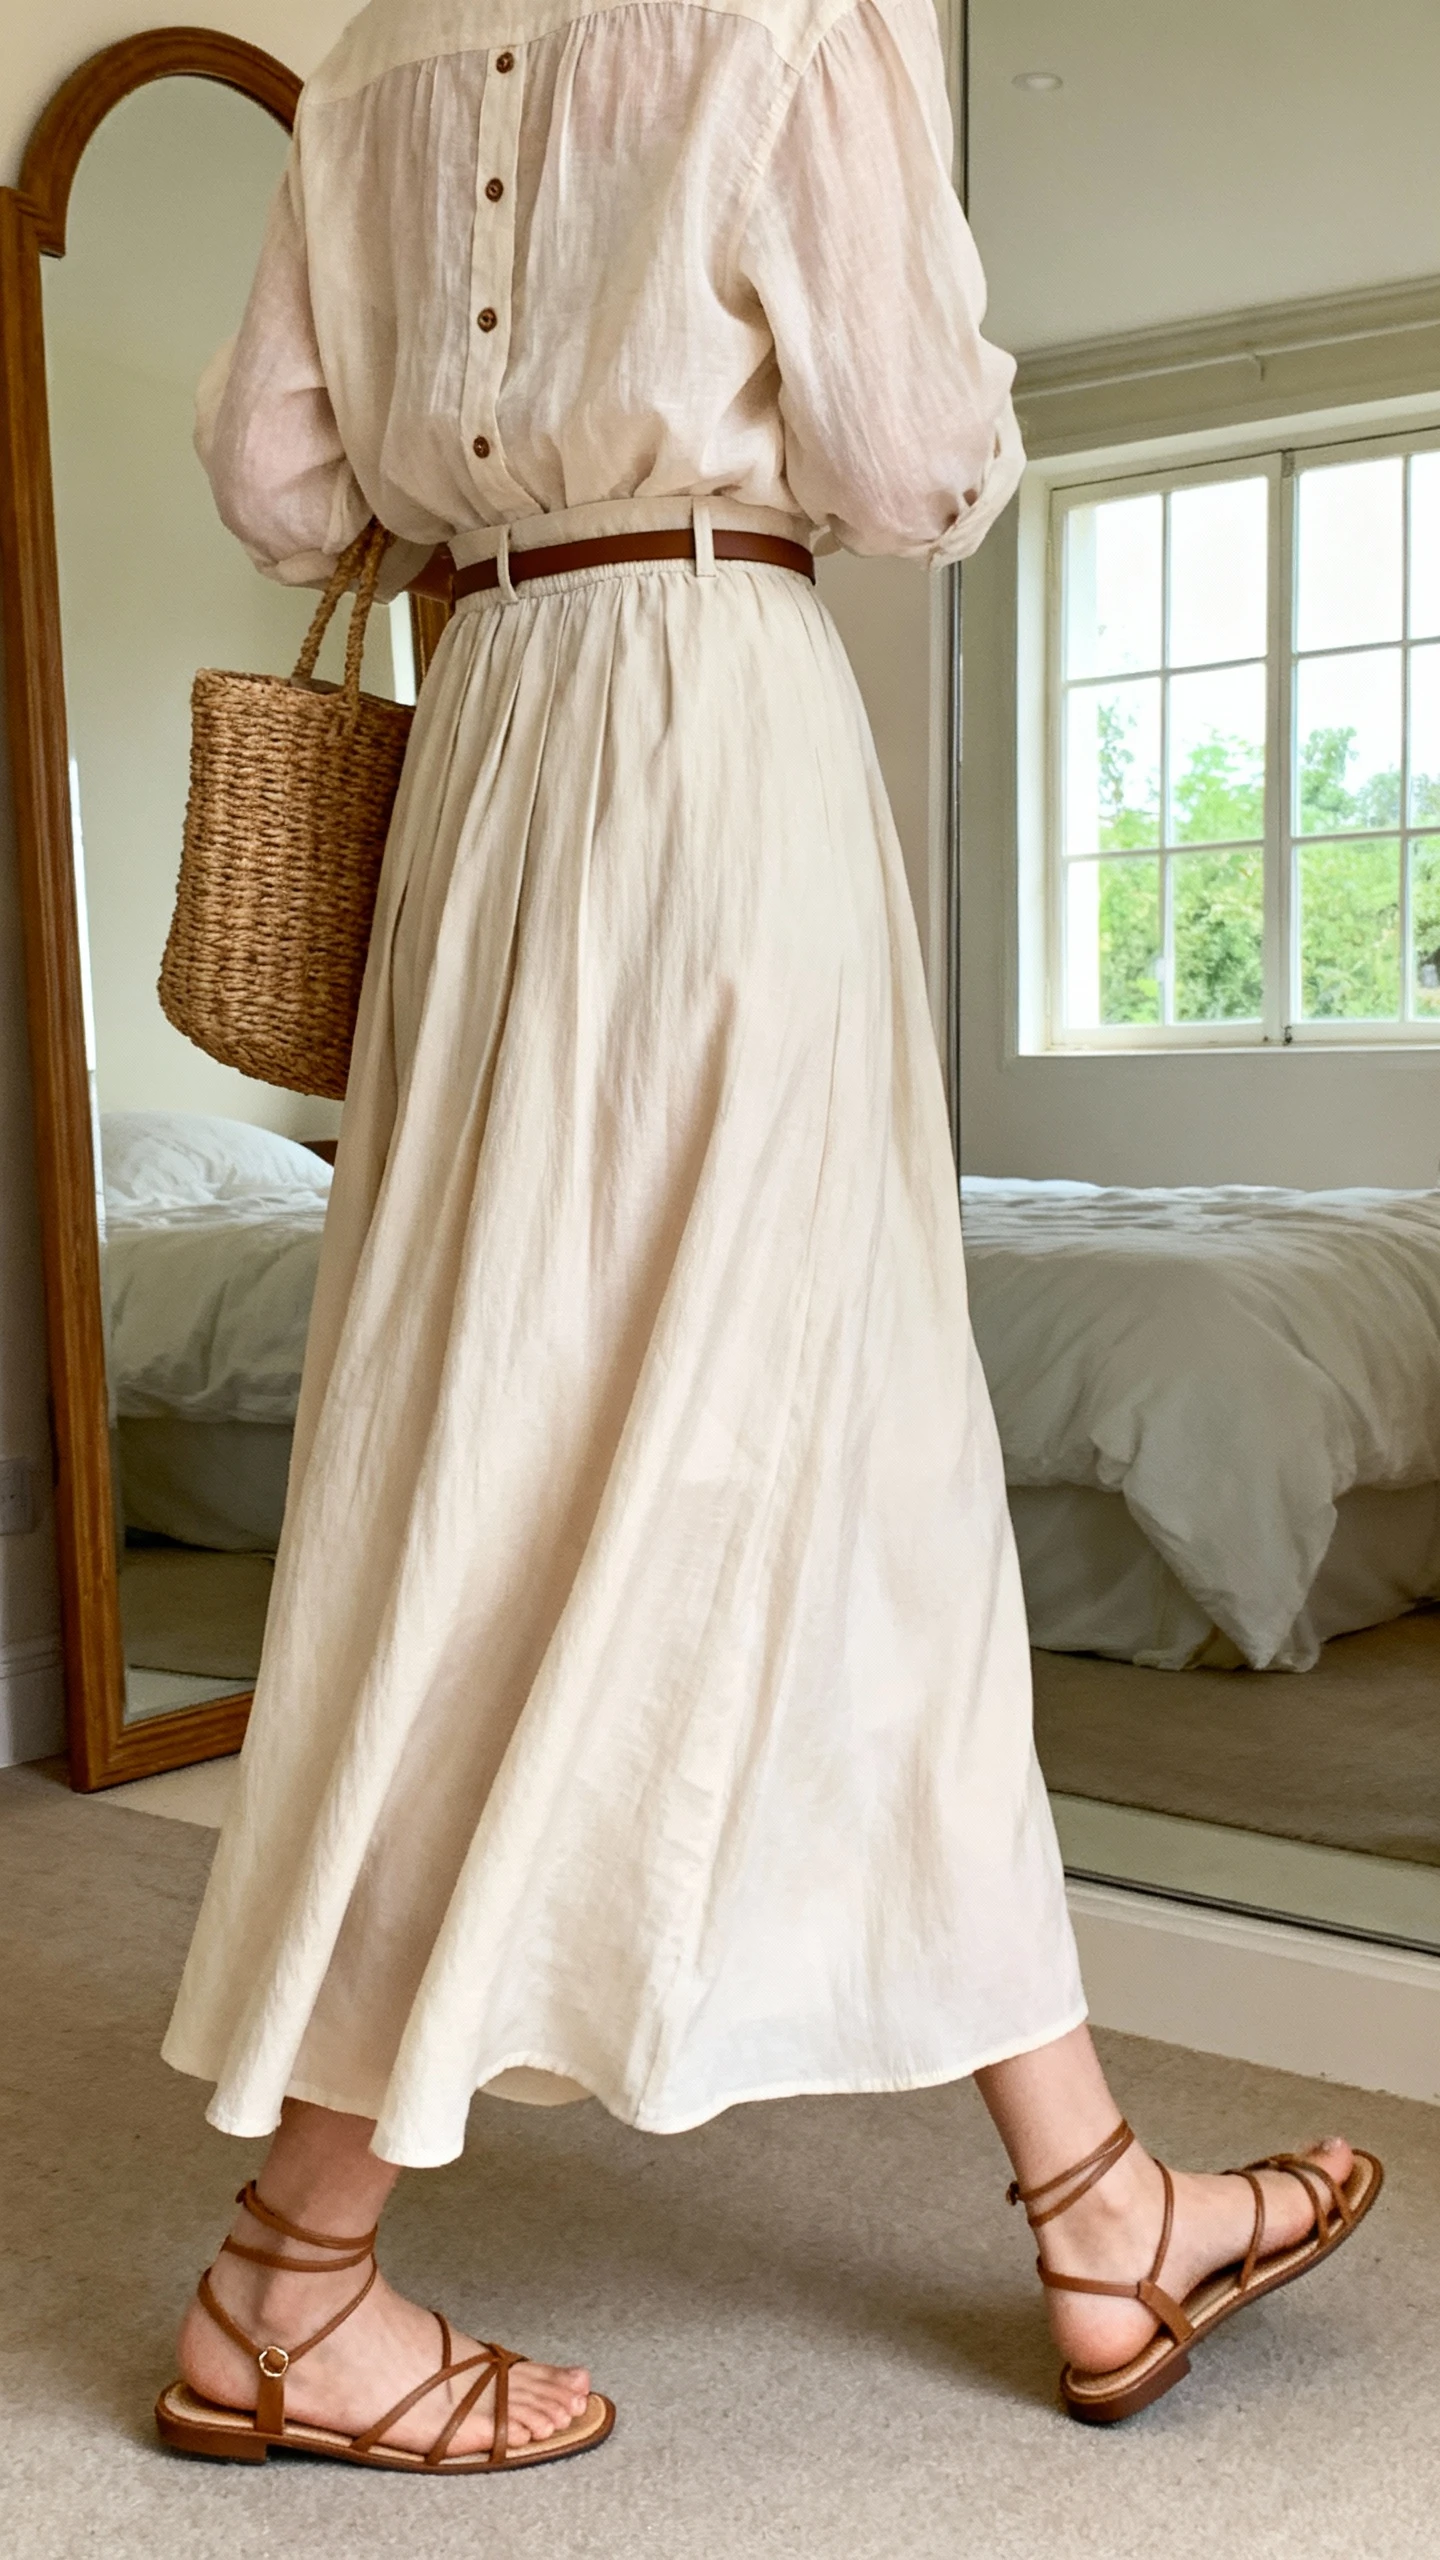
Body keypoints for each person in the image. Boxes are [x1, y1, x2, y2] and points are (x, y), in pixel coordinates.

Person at [156, 0, 1379, 2473]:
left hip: (492, 742)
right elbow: (916, 455)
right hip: (712, 733)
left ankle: (1099, 2195)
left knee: (671, 1460)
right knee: (669, 1469)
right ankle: (289, 2271)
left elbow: (278, 477)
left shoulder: (370, 55)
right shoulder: (785, 10)